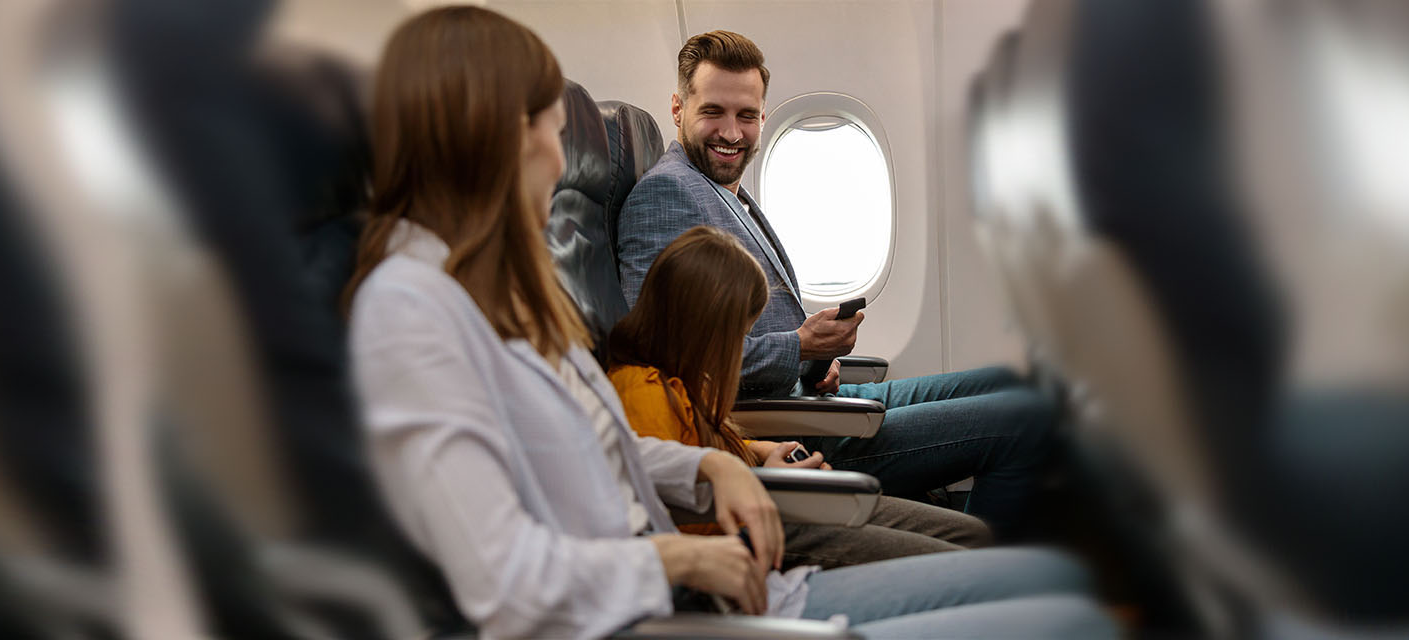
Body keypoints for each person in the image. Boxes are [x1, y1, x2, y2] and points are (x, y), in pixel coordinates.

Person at [346, 7, 1114, 639]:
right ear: (492, 138)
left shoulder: (494, 290)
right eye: (550, 129)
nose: (561, 158)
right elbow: (505, 584)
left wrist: (711, 465)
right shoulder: (410, 314)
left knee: (1048, 572)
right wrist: (678, 561)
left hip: (699, 567)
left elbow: (593, 446)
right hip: (668, 608)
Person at [616, 29, 1059, 533]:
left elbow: (746, 326)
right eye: (712, 111)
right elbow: (670, 357)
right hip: (784, 426)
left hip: (808, 395)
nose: (732, 133)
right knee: (1025, 420)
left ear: (763, 117)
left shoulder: (724, 192)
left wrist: (815, 360)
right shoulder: (666, 196)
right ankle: (989, 571)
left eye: (746, 115)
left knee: (1013, 383)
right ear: (678, 108)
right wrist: (799, 348)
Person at [606, 225, 992, 569]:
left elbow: (701, 448)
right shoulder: (642, 394)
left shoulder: (690, 375)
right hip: (755, 534)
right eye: (736, 336)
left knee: (975, 536)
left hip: (774, 498)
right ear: (702, 329)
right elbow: (677, 509)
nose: (738, 350)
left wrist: (761, 453)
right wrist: (775, 487)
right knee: (960, 560)